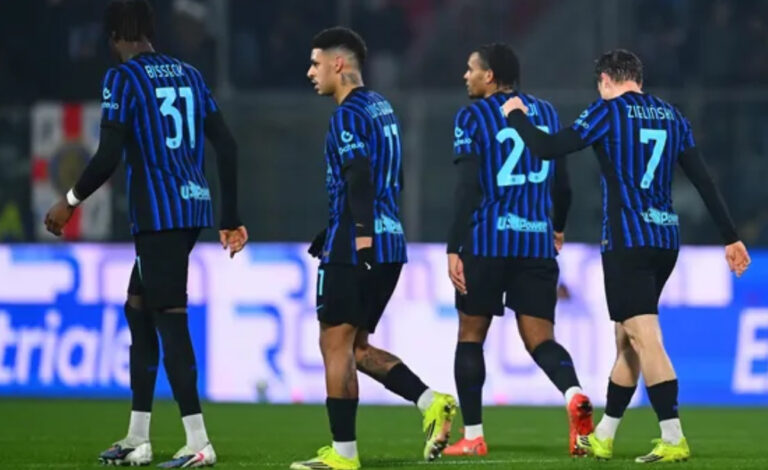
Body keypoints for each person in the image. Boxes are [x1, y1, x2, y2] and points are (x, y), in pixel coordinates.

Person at [502, 48, 750, 463]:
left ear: (605, 80)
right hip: (665, 240)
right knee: (627, 339)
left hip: (627, 242)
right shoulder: (672, 116)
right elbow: (703, 179)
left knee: (644, 337)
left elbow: (547, 148)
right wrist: (730, 236)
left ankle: (673, 436)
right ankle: (604, 434)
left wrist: (516, 116)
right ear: (638, 77)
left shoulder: (607, 111)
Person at [44, 1, 247, 467]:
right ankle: (138, 438)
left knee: (169, 320)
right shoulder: (190, 75)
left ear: (115, 35)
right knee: (138, 309)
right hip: (190, 207)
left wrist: (69, 201)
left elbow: (108, 154)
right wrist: (230, 216)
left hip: (159, 216)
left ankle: (199, 441)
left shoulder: (123, 78)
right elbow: (227, 145)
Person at [292, 27, 456, 470]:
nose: (310, 72)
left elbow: (360, 175)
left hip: (357, 246)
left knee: (334, 345)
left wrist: (359, 236)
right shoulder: (381, 107)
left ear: (338, 64)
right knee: (357, 347)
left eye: (316, 63)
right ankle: (430, 402)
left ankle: (343, 455)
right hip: (390, 240)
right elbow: (386, 178)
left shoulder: (346, 115)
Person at [444, 43, 593, 458]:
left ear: (489, 76)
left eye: (471, 69)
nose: (466, 76)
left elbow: (467, 187)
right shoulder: (546, 113)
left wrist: (454, 246)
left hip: (487, 242)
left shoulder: (472, 116)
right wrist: (557, 226)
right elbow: (563, 184)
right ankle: (574, 394)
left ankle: (473, 436)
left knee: (471, 336)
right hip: (536, 243)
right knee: (541, 339)